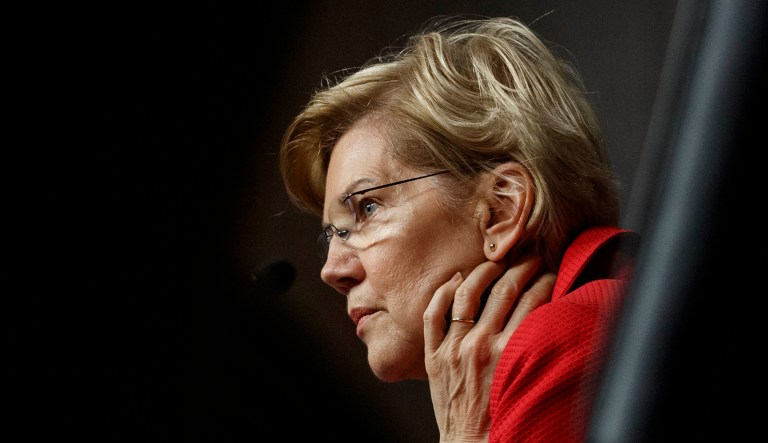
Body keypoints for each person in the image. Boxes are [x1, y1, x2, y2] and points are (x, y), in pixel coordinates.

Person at [278, 15, 639, 442]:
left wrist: (465, 435)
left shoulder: (561, 341)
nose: (332, 270)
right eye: (333, 233)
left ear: (501, 209)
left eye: (368, 207)